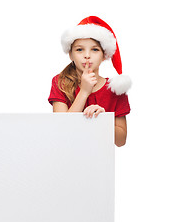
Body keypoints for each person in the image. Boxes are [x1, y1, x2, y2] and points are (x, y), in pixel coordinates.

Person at [48, 16, 131, 147]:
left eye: (95, 49)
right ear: (71, 54)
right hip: (66, 157)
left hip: (100, 161)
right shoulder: (60, 82)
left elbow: (121, 141)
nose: (87, 55)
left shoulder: (115, 89)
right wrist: (84, 92)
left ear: (104, 55)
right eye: (79, 49)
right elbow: (62, 129)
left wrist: (103, 120)